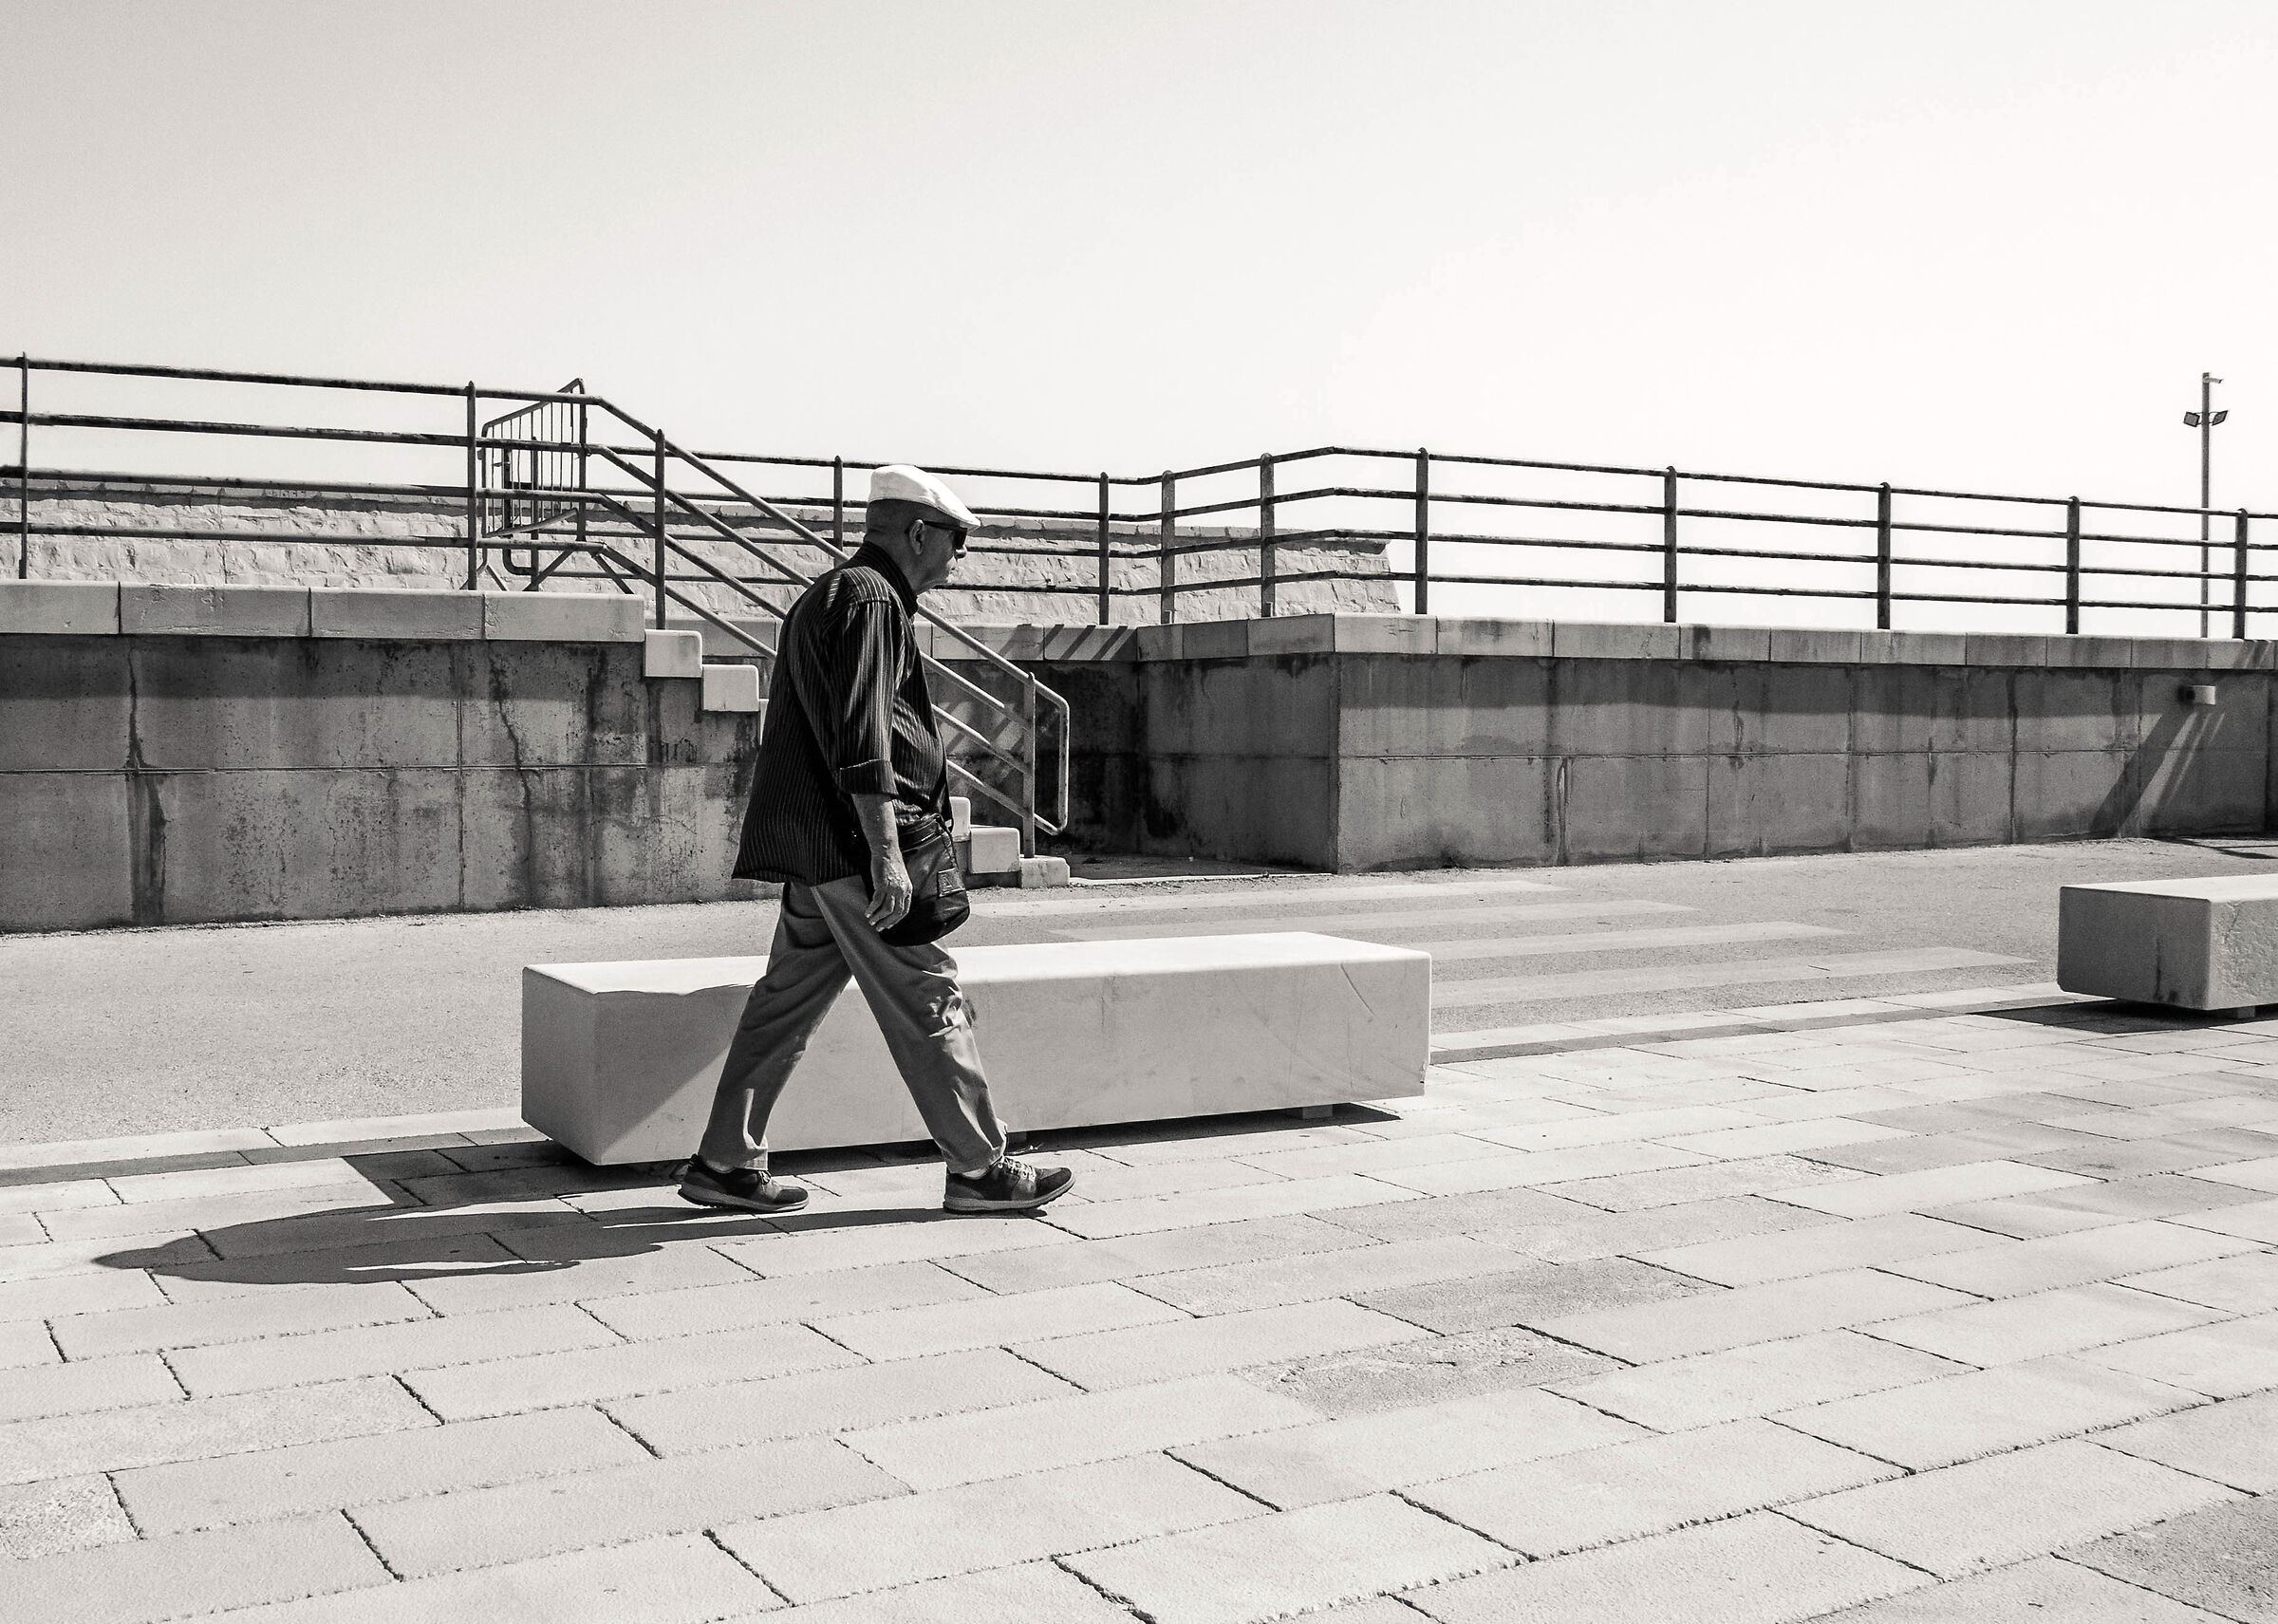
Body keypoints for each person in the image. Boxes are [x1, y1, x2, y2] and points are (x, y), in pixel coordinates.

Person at [678, 465, 1075, 1217]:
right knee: (927, 992)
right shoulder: (873, 601)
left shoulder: (823, 595)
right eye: (955, 541)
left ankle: (724, 1160)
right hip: (855, 853)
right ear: (918, 533)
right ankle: (981, 1168)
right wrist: (887, 852)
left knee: (783, 1004)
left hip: (816, 852)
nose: (959, 558)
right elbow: (866, 737)